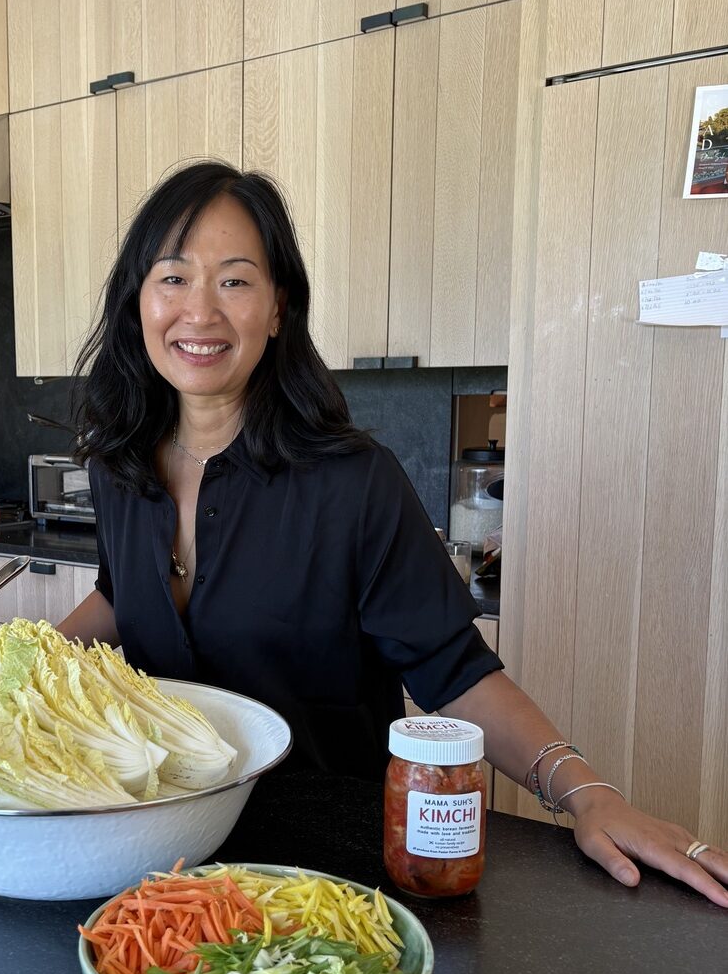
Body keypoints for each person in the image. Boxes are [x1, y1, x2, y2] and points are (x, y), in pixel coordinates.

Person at [57, 162, 727, 908]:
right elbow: (122, 596)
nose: (200, 312)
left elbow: (454, 669)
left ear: (278, 308)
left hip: (319, 874)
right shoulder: (119, 463)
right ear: (136, 301)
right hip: (154, 859)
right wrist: (4, 676)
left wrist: (587, 794)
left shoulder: (351, 481)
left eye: (235, 281)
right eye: (173, 278)